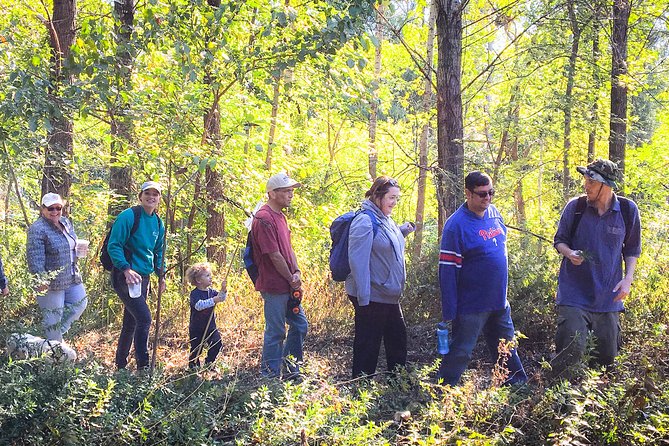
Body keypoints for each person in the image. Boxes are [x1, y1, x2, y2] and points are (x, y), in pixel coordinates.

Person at [552, 159, 641, 375]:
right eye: (585, 179)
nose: (586, 185)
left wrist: (627, 279)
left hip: (608, 298)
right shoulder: (576, 207)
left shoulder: (627, 211)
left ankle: (595, 406)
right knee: (570, 354)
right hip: (574, 295)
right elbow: (559, 240)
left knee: (606, 363)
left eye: (591, 181)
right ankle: (562, 405)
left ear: (606, 185)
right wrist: (570, 253)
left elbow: (631, 249)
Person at [438, 171, 527, 386]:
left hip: (499, 301)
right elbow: (447, 272)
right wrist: (450, 310)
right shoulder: (456, 226)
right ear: (468, 193)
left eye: (491, 193)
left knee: (506, 346)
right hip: (471, 305)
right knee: (461, 351)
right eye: (482, 194)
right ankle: (443, 390)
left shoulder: (494, 214)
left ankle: (516, 386)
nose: (487, 198)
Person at [346, 176, 415, 378]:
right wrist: (364, 299)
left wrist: (402, 231)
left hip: (388, 295)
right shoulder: (365, 221)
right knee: (368, 345)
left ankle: (397, 385)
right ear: (377, 196)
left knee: (397, 340)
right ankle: (361, 389)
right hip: (372, 295)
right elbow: (357, 262)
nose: (394, 202)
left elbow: (383, 243)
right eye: (391, 198)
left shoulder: (385, 219)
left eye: (397, 198)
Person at [251, 172, 308, 378]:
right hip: (274, 285)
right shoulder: (264, 218)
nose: (291, 194)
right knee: (275, 332)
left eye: (292, 190)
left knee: (300, 325)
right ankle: (269, 376)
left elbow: (288, 249)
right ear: (272, 193)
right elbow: (274, 255)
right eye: (286, 191)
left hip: (288, 283)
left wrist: (297, 272)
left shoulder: (281, 217)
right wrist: (290, 279)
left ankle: (292, 370)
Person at [108, 181, 166, 370]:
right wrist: (126, 269)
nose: (151, 197)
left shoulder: (158, 222)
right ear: (140, 196)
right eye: (147, 193)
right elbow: (114, 245)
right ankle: (144, 366)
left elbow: (158, 251)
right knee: (144, 318)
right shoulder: (129, 216)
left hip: (143, 278)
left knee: (131, 322)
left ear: (159, 199)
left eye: (155, 194)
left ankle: (120, 366)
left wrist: (161, 275)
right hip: (125, 276)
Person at [26, 193, 88, 342]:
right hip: (51, 283)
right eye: (51, 208)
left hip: (71, 276)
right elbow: (35, 257)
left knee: (80, 303)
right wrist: (41, 279)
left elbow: (69, 243)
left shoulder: (65, 222)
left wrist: (78, 249)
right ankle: (55, 354)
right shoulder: (38, 229)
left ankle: (49, 338)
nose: (55, 212)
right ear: (43, 209)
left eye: (58, 208)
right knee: (53, 319)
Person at [186, 262, 225, 369]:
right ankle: (193, 367)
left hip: (211, 327)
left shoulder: (212, 292)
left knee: (217, 344)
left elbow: (221, 298)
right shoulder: (195, 294)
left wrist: (223, 289)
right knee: (196, 348)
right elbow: (199, 306)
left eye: (210, 275)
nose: (210, 277)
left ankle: (209, 363)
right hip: (197, 328)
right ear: (198, 280)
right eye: (207, 275)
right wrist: (213, 300)